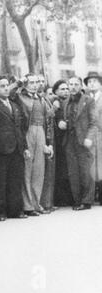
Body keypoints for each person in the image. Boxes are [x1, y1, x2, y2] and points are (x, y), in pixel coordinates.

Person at [0, 75, 29, 221]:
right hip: (0, 150)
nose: (5, 88)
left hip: (16, 148)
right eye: (2, 86)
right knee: (0, 181)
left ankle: (15, 210)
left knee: (15, 180)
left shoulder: (14, 104)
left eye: (6, 86)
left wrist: (24, 147)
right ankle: (0, 212)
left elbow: (20, 128)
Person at [11, 74, 54, 216]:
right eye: (31, 82)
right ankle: (27, 206)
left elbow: (48, 121)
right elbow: (10, 93)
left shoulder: (42, 98)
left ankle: (36, 204)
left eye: (36, 82)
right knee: (27, 170)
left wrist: (48, 143)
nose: (35, 85)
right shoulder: (19, 96)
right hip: (27, 132)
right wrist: (19, 83)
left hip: (40, 131)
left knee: (38, 170)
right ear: (25, 84)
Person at [58, 76, 97, 211]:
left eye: (76, 84)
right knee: (73, 172)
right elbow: (63, 119)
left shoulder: (89, 101)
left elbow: (94, 123)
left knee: (85, 171)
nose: (73, 87)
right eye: (71, 84)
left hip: (83, 141)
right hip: (69, 140)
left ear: (81, 86)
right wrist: (61, 123)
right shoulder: (66, 101)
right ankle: (77, 200)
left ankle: (86, 201)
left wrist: (89, 138)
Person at [53, 80, 74, 207]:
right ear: (56, 91)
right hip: (58, 141)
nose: (65, 91)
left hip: (70, 139)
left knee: (69, 168)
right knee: (60, 169)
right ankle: (61, 198)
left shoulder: (72, 102)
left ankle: (71, 197)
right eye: (62, 89)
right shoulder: (53, 103)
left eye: (67, 88)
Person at [38, 75, 57, 213]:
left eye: (41, 81)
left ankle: (48, 202)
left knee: (49, 172)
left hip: (49, 138)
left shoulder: (44, 99)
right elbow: (47, 117)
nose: (40, 84)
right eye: (37, 81)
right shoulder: (38, 100)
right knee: (42, 173)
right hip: (41, 137)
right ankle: (43, 203)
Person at [85, 72, 102, 204]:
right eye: (90, 82)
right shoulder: (85, 99)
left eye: (95, 81)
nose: (92, 84)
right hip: (90, 135)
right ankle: (92, 195)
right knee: (91, 165)